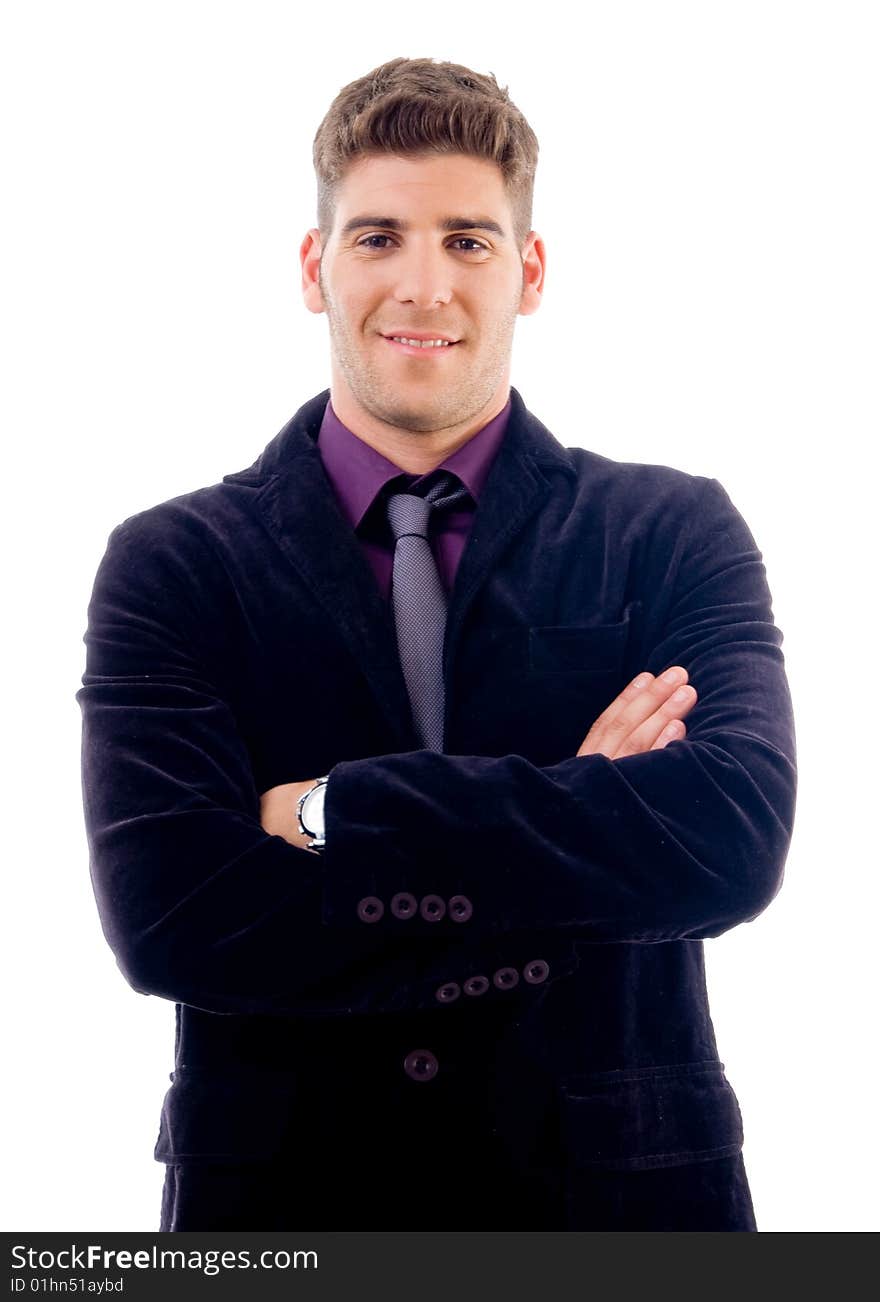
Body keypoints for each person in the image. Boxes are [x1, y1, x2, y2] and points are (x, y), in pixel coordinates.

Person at [76, 56, 797, 1232]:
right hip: (287, 1214)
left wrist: (328, 816)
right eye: (377, 238)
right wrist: (579, 804)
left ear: (531, 270)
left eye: (467, 240)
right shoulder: (174, 561)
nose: (424, 286)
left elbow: (728, 846)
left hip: (621, 1209)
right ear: (315, 269)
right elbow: (175, 919)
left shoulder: (671, 529)